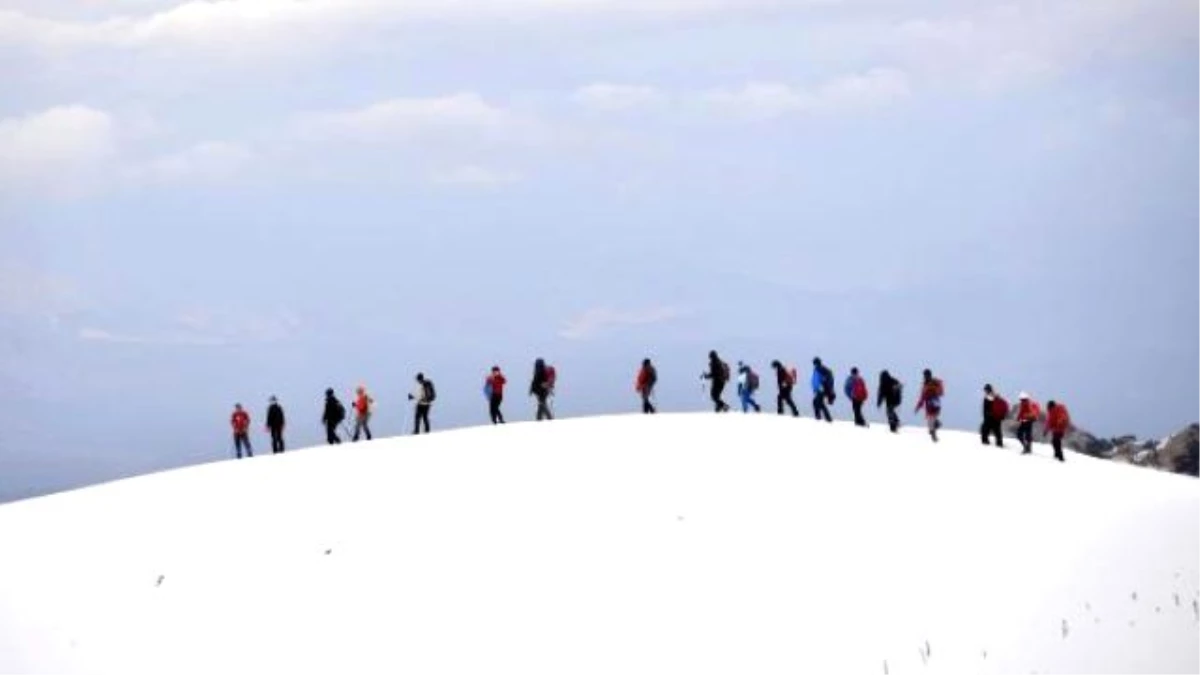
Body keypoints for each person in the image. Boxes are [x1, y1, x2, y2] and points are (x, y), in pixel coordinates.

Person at [914, 369, 945, 442]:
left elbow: (941, 392)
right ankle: (935, 427)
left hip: (935, 404)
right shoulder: (925, 384)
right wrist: (918, 407)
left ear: (929, 375)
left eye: (926, 375)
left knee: (931, 422)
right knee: (931, 422)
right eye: (924, 375)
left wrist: (933, 390)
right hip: (930, 406)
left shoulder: (935, 382)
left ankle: (934, 436)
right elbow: (922, 397)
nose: (925, 376)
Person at [810, 358, 834, 422]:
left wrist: (822, 386)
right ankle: (821, 417)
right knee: (817, 402)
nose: (813, 364)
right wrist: (815, 389)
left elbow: (826, 379)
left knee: (818, 402)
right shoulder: (817, 369)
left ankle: (824, 418)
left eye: (814, 363)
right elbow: (816, 380)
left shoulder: (821, 369)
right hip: (819, 389)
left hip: (821, 389)